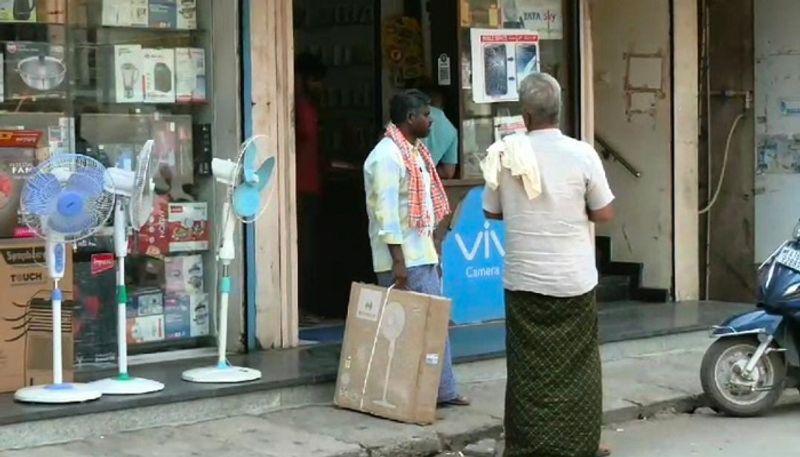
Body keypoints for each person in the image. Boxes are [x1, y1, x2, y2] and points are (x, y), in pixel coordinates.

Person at [481, 73, 615, 457]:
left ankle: (527, 446)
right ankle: (580, 443)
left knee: (527, 372)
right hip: (573, 281)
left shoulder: (505, 154)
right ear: (559, 110)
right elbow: (604, 213)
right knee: (581, 366)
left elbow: (491, 211)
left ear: (525, 115)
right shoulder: (582, 153)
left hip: (524, 281)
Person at [363, 89, 470, 407]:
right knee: (408, 331)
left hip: (420, 253)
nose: (431, 121)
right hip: (403, 258)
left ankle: (442, 391)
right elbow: (387, 213)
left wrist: (434, 247)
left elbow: (424, 207)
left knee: (433, 325)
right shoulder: (387, 156)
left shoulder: (416, 153)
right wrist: (399, 262)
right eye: (426, 115)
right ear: (410, 118)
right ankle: (412, 395)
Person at [295, 52, 326, 323]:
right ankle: (299, 309)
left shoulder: (306, 106)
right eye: (315, 80)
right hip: (303, 187)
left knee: (308, 249)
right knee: (303, 250)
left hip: (309, 184)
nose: (320, 87)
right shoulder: (301, 108)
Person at [418, 82, 459, 180]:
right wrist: (425, 170)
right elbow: (448, 172)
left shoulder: (411, 115)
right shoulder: (451, 130)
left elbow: (384, 139)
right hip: (425, 183)